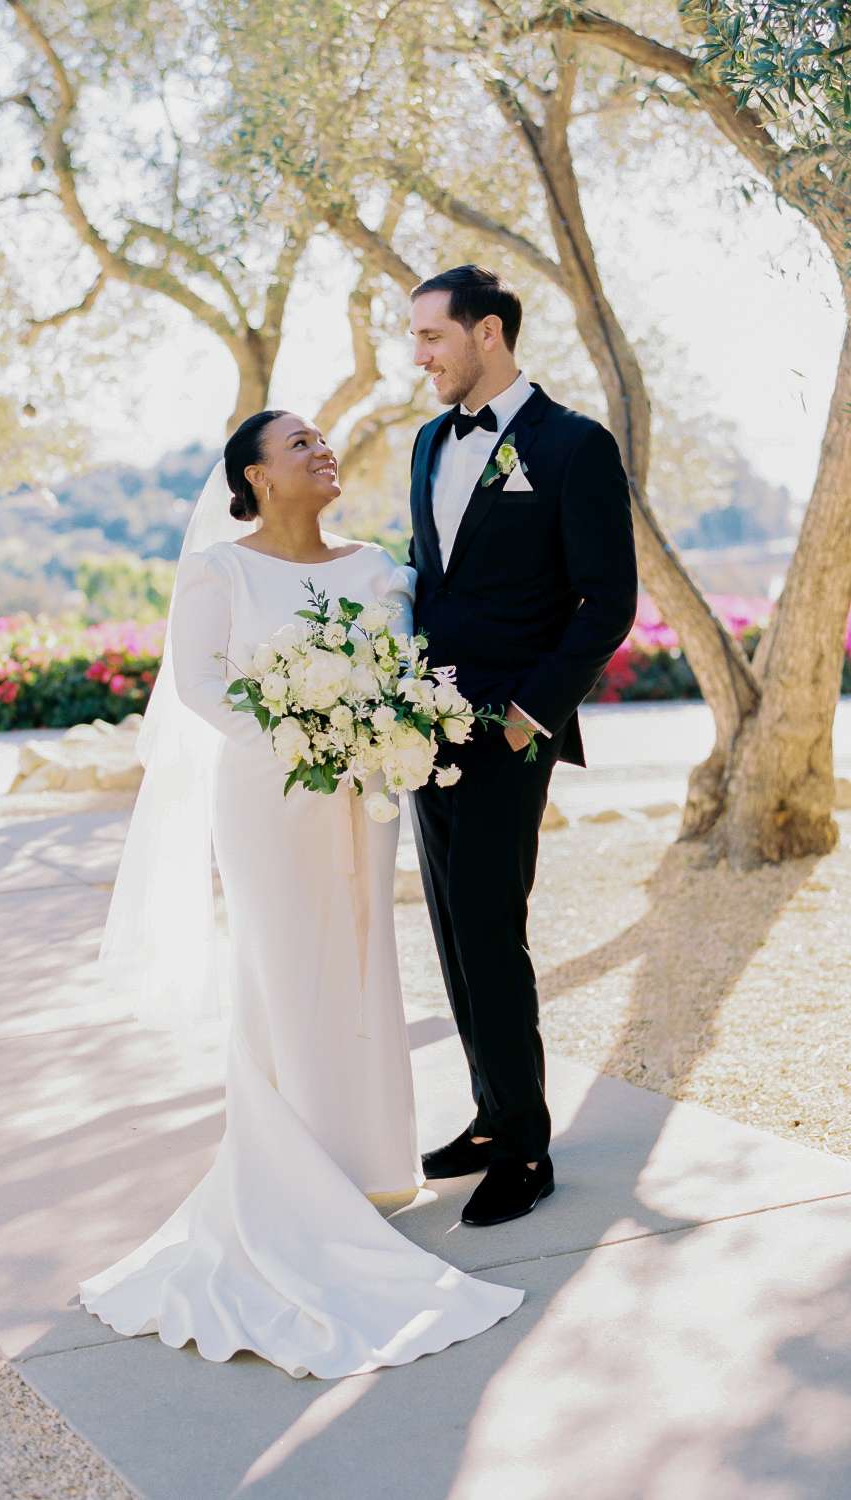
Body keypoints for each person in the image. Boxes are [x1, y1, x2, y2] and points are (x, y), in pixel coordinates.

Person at [79, 410, 524, 1379]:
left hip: (360, 793)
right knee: (283, 973)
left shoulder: (377, 569)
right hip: (269, 791)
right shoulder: (220, 572)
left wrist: (370, 736)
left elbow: (400, 671)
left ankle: (369, 1169)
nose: (323, 452)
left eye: (325, 440)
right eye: (300, 446)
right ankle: (294, 1179)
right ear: (256, 475)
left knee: (361, 968)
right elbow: (199, 682)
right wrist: (296, 738)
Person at [407, 265, 638, 1228]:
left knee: (493, 932)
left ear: (489, 333)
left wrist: (526, 717)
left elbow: (608, 604)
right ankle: (491, 1114)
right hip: (420, 733)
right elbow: (432, 581)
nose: (418, 356)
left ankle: (527, 1150)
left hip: (511, 732)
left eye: (432, 338)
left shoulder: (575, 445)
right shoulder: (426, 442)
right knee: (456, 937)